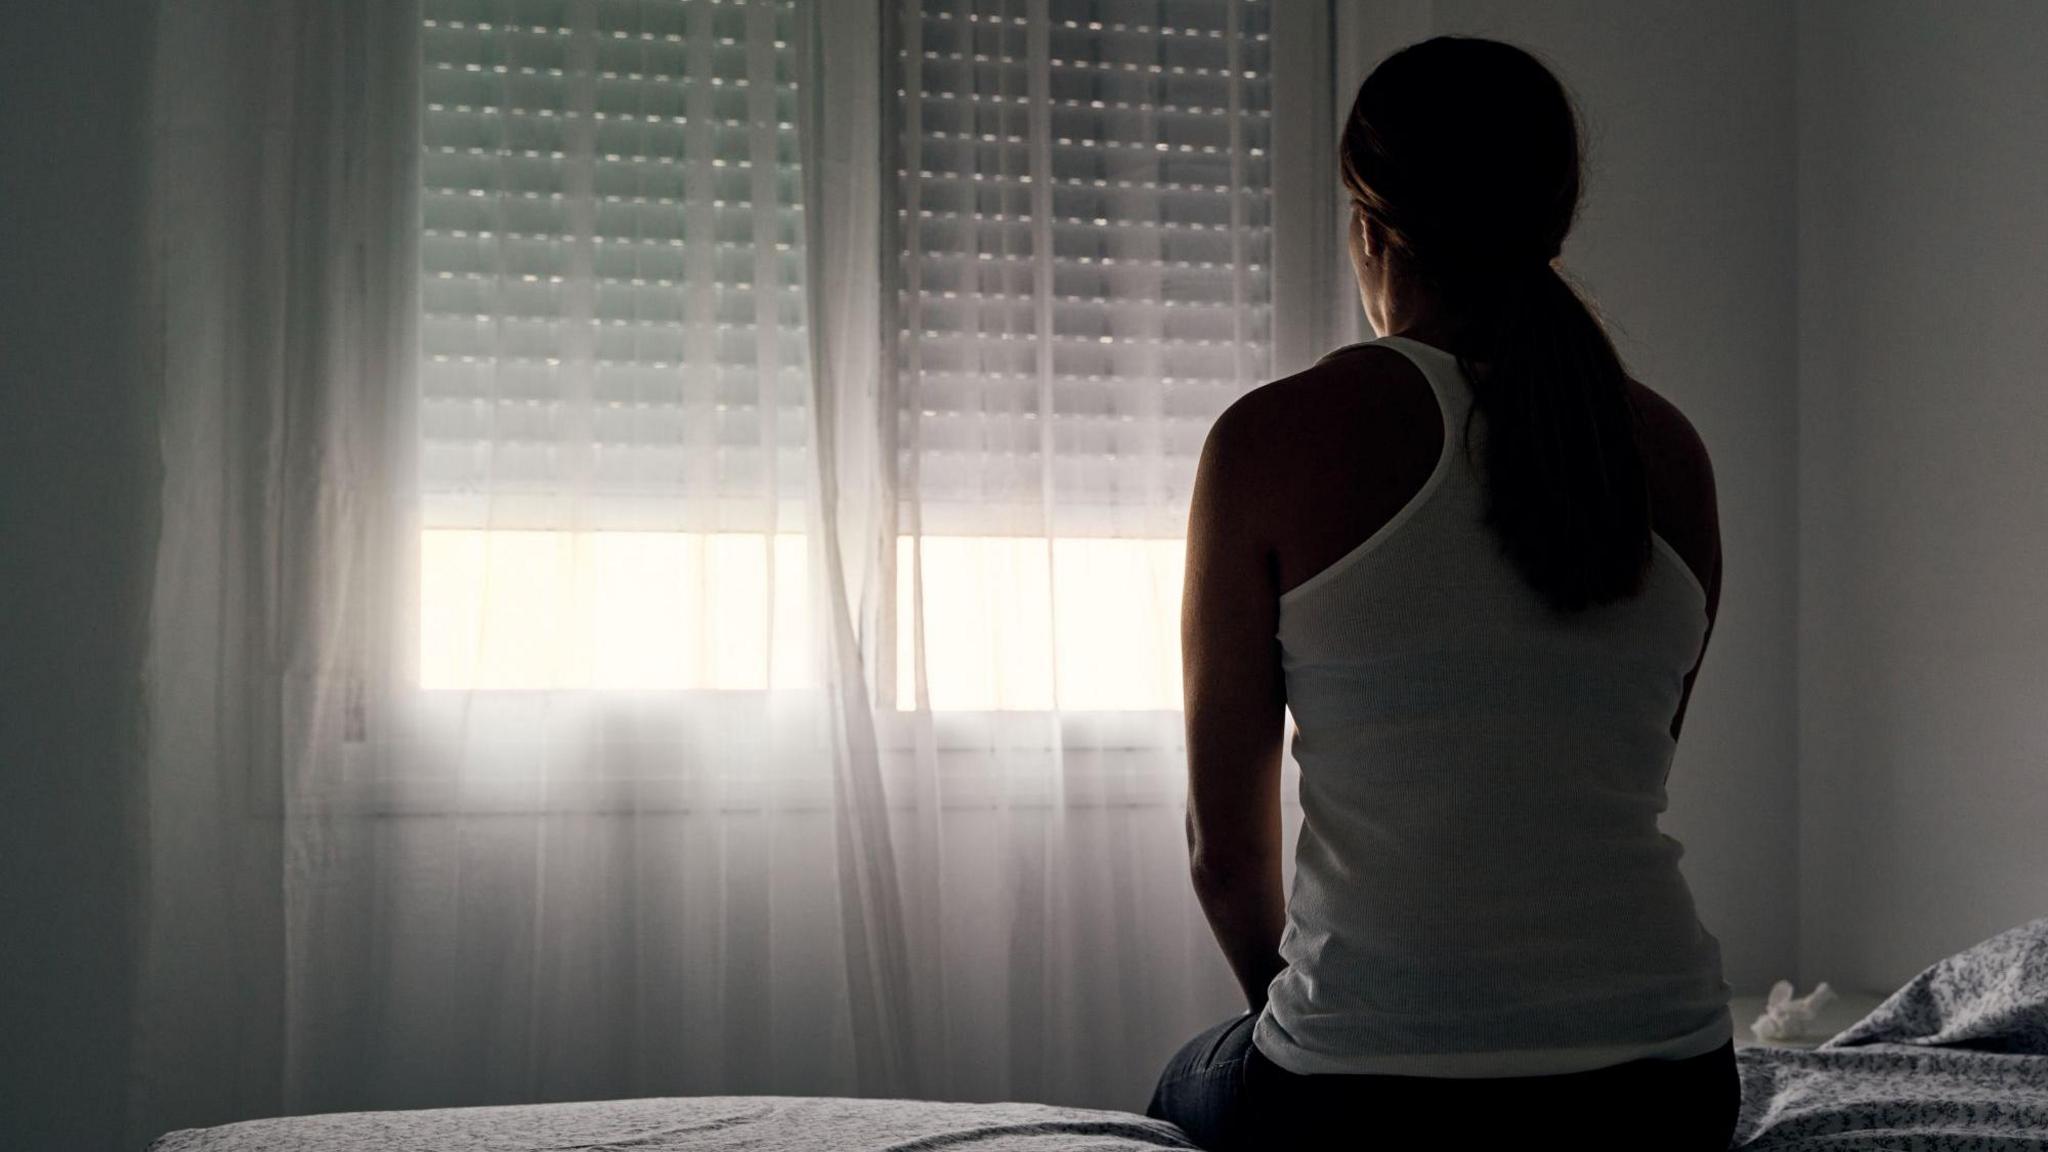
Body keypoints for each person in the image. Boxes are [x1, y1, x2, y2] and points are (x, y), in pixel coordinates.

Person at [1148, 35, 1739, 1151]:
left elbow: (1222, 856)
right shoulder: (1668, 450)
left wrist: (1332, 1028)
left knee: (1181, 1088)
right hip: (1667, 1085)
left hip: (1367, 1098)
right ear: (1553, 219)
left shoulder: (1270, 441)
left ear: (1367, 222)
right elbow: (1619, 767)